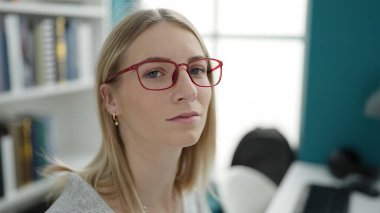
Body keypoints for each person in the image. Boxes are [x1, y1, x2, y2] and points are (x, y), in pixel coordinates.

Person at [46, 8, 223, 213]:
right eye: (155, 73)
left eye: (196, 70)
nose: (189, 90)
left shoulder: (191, 195)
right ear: (110, 99)